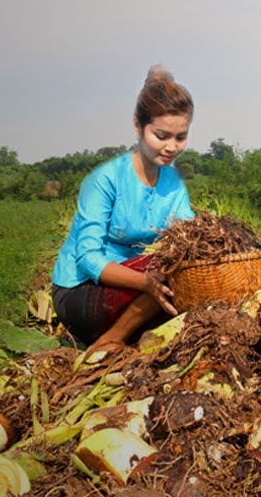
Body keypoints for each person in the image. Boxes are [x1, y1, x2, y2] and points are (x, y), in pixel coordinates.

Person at [51, 65, 193, 358]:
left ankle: (133, 333)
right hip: (83, 292)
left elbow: (189, 233)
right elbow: (88, 259)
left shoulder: (173, 184)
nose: (171, 147)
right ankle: (110, 339)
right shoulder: (106, 180)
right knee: (169, 268)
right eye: (161, 135)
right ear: (138, 126)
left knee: (190, 264)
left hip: (134, 291)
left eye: (180, 137)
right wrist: (145, 282)